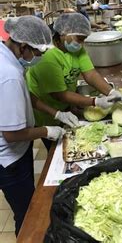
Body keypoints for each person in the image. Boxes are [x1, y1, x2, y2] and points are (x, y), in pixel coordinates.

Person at [0, 16, 66, 236]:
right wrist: (48, 130)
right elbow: (11, 134)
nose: (38, 58)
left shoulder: (7, 57)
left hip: (18, 151)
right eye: (36, 53)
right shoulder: (9, 74)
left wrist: (55, 112)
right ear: (24, 46)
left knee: (29, 208)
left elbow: (25, 96)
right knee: (29, 215)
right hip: (9, 161)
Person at [26, 13, 122, 150]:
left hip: (65, 105)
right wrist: (95, 102)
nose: (81, 44)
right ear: (63, 33)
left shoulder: (76, 50)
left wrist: (111, 91)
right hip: (46, 110)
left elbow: (90, 74)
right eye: (79, 39)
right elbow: (59, 94)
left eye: (83, 40)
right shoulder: (47, 56)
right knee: (58, 148)